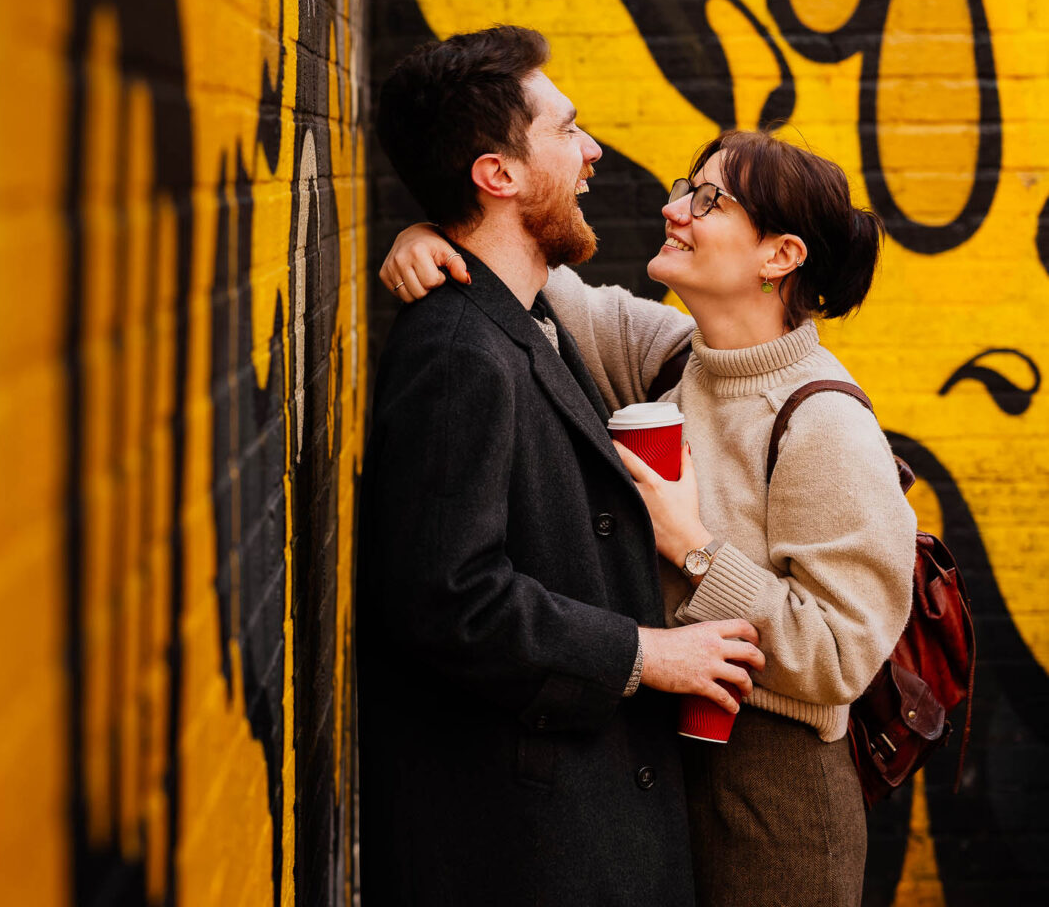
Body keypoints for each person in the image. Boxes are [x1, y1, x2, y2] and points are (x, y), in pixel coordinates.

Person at [383, 126, 918, 905]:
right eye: (683, 186)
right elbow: (512, 272)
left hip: (773, 790)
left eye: (708, 199)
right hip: (659, 767)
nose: (675, 209)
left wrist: (692, 546)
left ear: (781, 256)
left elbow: (840, 655)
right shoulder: (676, 356)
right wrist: (423, 236)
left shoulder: (824, 423)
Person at [360, 25, 766, 907]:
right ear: (498, 174)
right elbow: (444, 597)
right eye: (568, 129)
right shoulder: (459, 352)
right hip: (526, 856)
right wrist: (647, 654)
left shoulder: (526, 313)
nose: (593, 154)